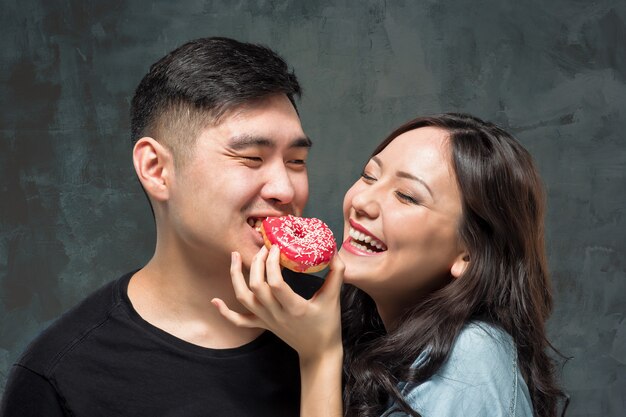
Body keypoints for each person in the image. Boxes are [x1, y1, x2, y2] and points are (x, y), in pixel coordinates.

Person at [1, 37, 322, 416]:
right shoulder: (59, 375)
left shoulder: (346, 322)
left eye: (297, 161)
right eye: (252, 158)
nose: (285, 189)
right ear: (156, 169)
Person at [213, 113, 568, 417]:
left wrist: (319, 355)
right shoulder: (376, 336)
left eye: (407, 196)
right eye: (369, 176)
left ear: (468, 255)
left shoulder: (470, 360)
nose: (362, 201)